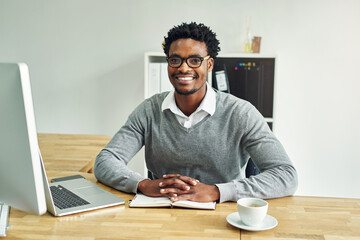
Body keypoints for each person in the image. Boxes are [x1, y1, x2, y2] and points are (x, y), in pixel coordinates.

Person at [94, 22, 298, 203]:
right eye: (175, 60)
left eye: (194, 60)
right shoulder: (149, 111)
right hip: (161, 213)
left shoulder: (241, 113)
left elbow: (286, 175)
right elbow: (105, 161)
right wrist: (144, 184)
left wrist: (217, 191)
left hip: (222, 217)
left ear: (209, 64)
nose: (183, 68)